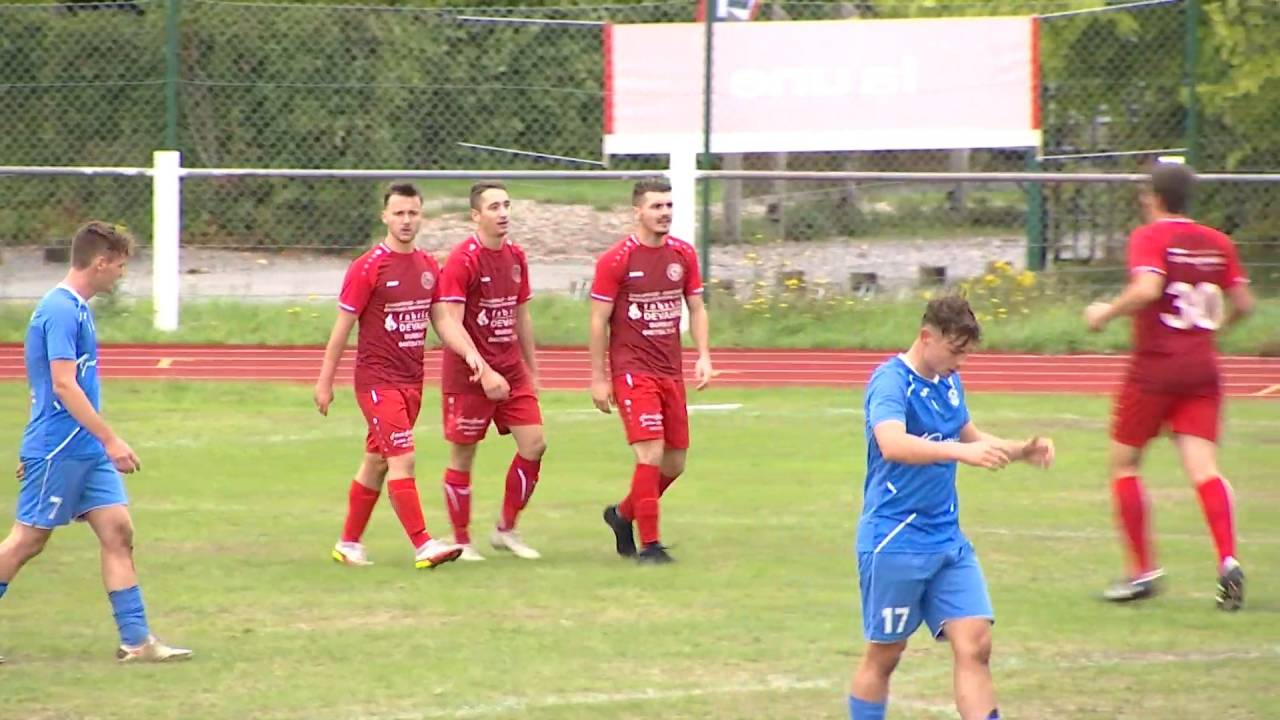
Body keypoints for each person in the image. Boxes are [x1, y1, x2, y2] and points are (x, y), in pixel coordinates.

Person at [849, 296, 1054, 720]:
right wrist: (959, 453)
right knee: (885, 656)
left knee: (976, 643)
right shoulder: (890, 381)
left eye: (967, 352)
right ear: (927, 338)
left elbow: (972, 437)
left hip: (947, 540)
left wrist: (1020, 449)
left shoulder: (948, 381)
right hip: (895, 539)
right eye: (956, 350)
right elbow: (893, 443)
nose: (961, 361)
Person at [1, 221, 192, 663]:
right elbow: (64, 386)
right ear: (100, 263)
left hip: (82, 448)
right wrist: (111, 440)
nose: (122, 275)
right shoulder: (60, 309)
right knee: (27, 540)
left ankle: (137, 641)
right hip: (61, 447)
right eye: (120, 266)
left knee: (118, 531)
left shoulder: (79, 309)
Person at [1084, 162, 1254, 610]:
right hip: (1202, 368)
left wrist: (1105, 312)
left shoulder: (1150, 237)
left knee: (1125, 464)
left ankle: (1142, 571)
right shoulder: (1219, 242)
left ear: (1152, 197)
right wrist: (1213, 331)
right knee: (1204, 469)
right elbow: (1244, 303)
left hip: (1155, 368)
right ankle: (1228, 560)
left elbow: (1147, 288)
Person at [314, 183, 486, 570]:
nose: (406, 221)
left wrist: (470, 352)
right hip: (377, 382)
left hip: (412, 381)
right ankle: (423, 543)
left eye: (413, 213)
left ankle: (349, 543)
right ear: (385, 217)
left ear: (421, 216)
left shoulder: (427, 266)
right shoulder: (368, 267)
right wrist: (325, 380)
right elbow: (343, 327)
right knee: (403, 459)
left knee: (376, 461)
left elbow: (442, 319)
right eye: (399, 213)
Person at [591, 179, 713, 564]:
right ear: (637, 212)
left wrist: (704, 355)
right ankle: (651, 545)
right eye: (656, 206)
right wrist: (599, 377)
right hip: (632, 370)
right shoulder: (617, 260)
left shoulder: (683, 255)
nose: (665, 213)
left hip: (669, 371)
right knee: (651, 453)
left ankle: (623, 514)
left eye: (669, 205)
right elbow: (598, 321)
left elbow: (696, 307)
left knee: (675, 463)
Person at [435, 181, 545, 561]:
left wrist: (531, 368)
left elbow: (521, 315)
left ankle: (506, 529)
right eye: (494, 207)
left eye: (506, 205)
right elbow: (451, 322)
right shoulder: (463, 260)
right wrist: (481, 370)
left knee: (534, 445)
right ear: (475, 215)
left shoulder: (516, 256)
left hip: (510, 369)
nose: (503, 213)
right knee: (464, 455)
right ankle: (461, 540)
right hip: (468, 375)